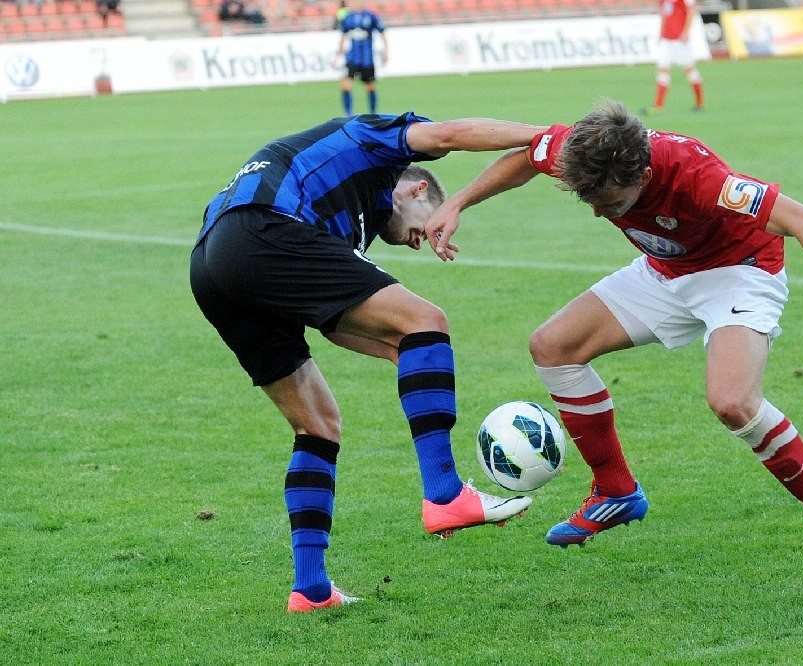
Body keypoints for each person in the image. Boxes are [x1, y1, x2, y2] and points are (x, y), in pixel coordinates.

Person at [425, 101, 803, 593]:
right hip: (666, 271)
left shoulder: (699, 176)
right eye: (592, 203)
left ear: (645, 176)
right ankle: (615, 489)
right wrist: (456, 202)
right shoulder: (586, 149)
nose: (600, 215)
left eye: (611, 204)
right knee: (553, 346)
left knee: (733, 402)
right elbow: (525, 157)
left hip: (738, 271)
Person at [189, 112, 544, 612]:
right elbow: (448, 134)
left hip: (212, 264)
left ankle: (311, 589)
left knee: (318, 426)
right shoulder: (376, 145)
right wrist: (545, 135)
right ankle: (445, 493)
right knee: (427, 319)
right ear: (418, 190)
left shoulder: (344, 226)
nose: (423, 240)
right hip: (262, 227)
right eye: (425, 227)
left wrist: (407, 351)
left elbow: (333, 325)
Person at [645, 0, 706, 114]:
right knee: (662, 70)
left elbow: (691, 10)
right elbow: (664, 14)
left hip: (679, 40)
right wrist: (661, 33)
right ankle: (658, 105)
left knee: (689, 70)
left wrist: (686, 31)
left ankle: (700, 103)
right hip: (666, 40)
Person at [335, 0, 387, 115]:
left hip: (367, 59)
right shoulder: (348, 17)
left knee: (370, 87)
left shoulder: (371, 16)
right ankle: (348, 113)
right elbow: (343, 37)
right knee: (345, 84)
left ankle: (373, 112)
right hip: (352, 58)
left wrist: (385, 51)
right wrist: (337, 56)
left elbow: (382, 32)